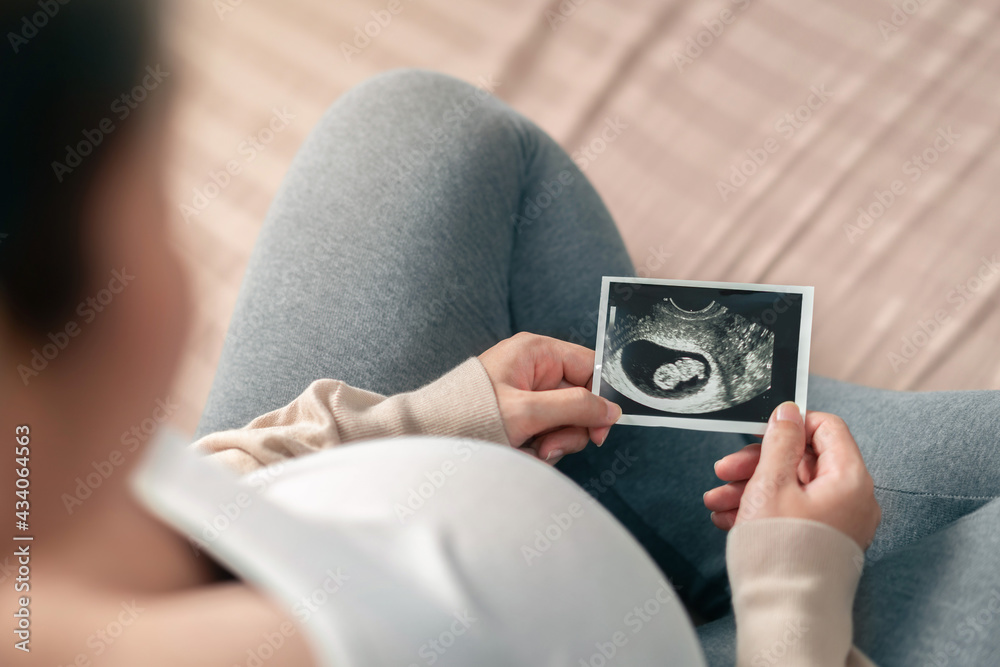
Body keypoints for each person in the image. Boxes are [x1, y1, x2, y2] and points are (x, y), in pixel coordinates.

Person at [2, 1, 999, 665]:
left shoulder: (29, 470)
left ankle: (709, 462)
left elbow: (218, 493)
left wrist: (416, 423)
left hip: (428, 516)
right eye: (149, 202)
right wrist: (794, 599)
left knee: (417, 128)